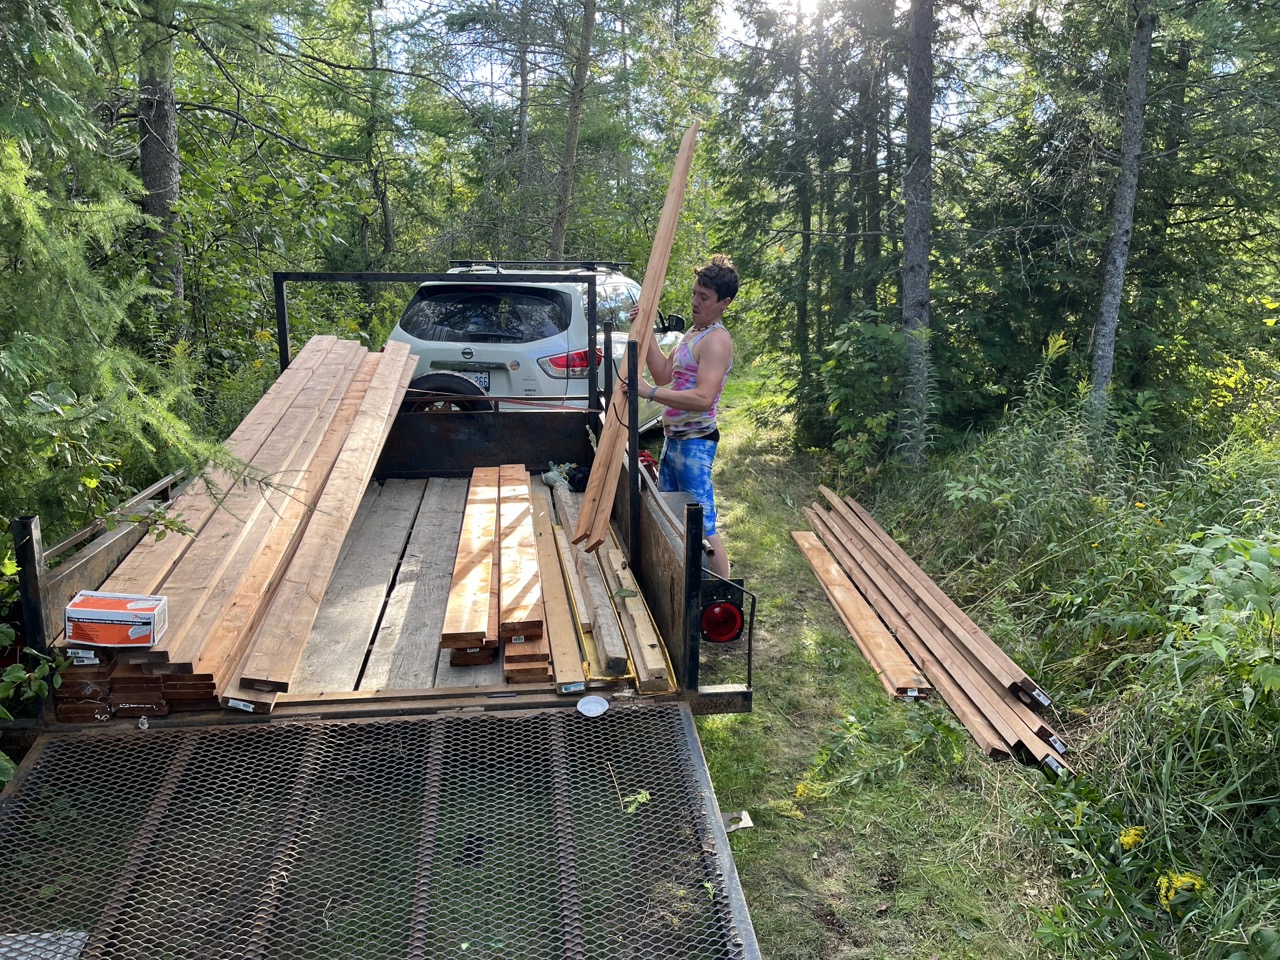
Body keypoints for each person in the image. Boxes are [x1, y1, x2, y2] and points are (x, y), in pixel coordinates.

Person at [630, 254, 738, 578]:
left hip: (695, 444)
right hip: (674, 441)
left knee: (703, 525)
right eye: (694, 293)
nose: (694, 302)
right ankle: (684, 583)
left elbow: (704, 398)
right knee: (672, 516)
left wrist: (648, 392)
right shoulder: (693, 332)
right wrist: (646, 330)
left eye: (704, 297)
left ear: (724, 303)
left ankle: (722, 592)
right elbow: (664, 373)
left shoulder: (717, 340)